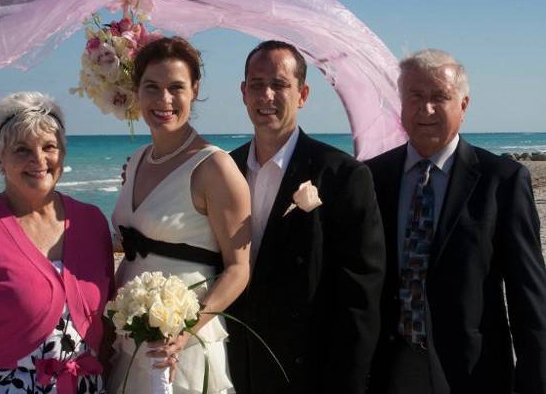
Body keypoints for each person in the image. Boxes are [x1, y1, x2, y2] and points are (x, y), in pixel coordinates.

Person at [366, 49, 546, 394]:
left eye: (440, 97)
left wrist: (535, 381)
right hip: (388, 366)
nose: (426, 108)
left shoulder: (502, 181)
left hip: (471, 369)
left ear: (463, 105)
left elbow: (529, 295)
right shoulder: (372, 177)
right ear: (400, 103)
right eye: (415, 96)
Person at [226, 40, 386, 394]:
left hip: (307, 369)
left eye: (280, 84)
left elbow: (361, 294)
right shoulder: (225, 169)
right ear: (243, 93)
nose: (266, 95)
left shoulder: (342, 175)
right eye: (257, 84)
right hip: (235, 365)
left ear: (303, 94)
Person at [107, 37, 251, 394]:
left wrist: (186, 331)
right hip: (131, 335)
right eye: (152, 87)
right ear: (136, 91)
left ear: (195, 90)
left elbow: (239, 268)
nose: (164, 100)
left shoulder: (215, 167)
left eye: (176, 88)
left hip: (184, 342)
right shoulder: (137, 159)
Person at [0, 91, 114, 393]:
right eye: (21, 150)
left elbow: (107, 325)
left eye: (49, 147)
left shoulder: (91, 222)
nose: (38, 160)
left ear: (62, 153)